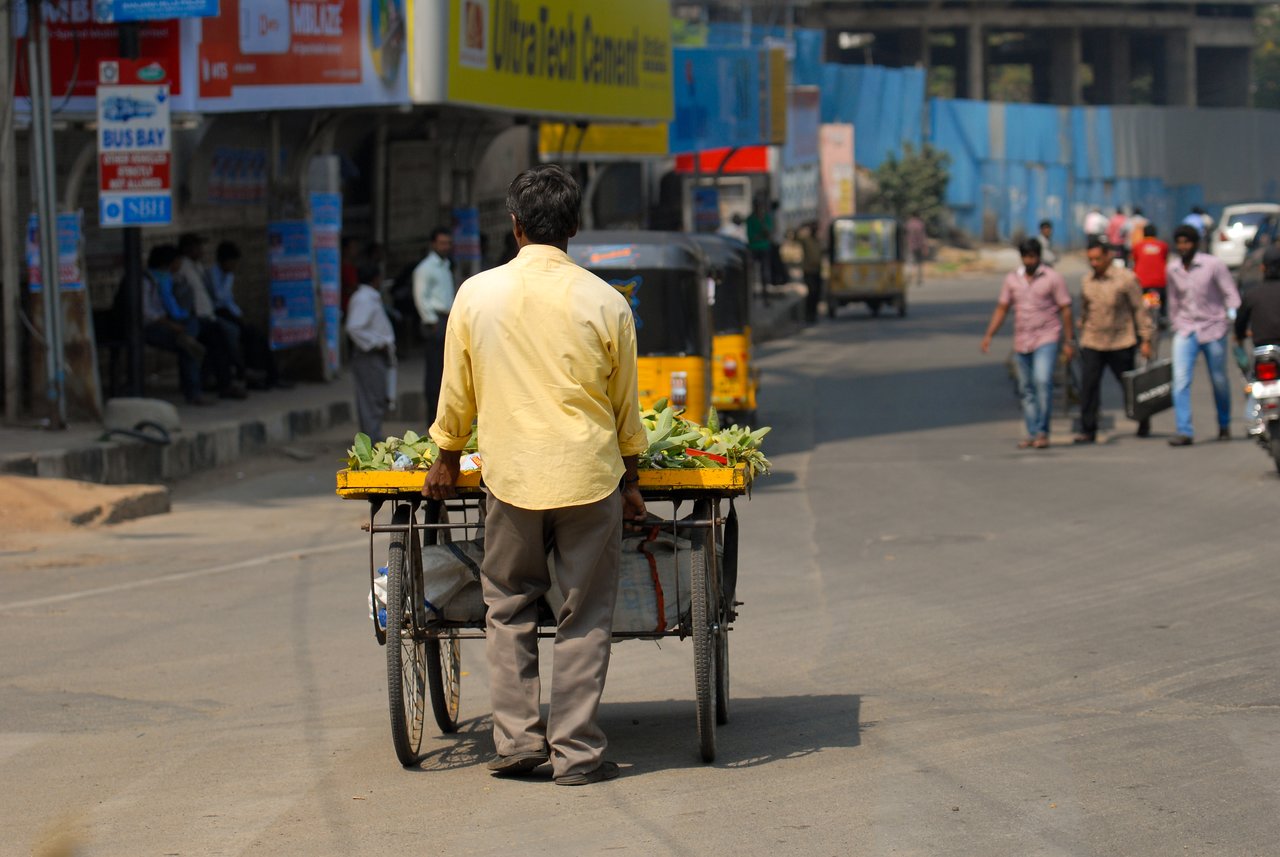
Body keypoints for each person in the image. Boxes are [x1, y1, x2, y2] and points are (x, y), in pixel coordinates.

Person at [423, 164, 648, 786]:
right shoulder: (607, 301)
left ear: (515, 224)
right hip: (589, 478)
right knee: (584, 615)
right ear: (575, 227)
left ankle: (519, 742)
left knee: (509, 605)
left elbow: (456, 394)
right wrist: (632, 481)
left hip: (512, 478)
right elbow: (627, 408)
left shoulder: (475, 294)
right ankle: (576, 755)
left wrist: (445, 455)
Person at [980, 238, 1075, 449]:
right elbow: (1002, 308)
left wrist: (1069, 341)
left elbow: (1065, 309)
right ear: (1021, 257)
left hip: (1047, 337)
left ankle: (1043, 431)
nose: (1029, 260)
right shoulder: (1013, 279)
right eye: (1026, 256)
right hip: (1022, 340)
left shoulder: (1052, 278)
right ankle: (1032, 432)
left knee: (1042, 382)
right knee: (1026, 388)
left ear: (1039, 256)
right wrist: (989, 335)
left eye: (1033, 256)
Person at [1165, 224, 1241, 445]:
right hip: (1186, 329)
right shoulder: (1173, 269)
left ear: (1196, 244)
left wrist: (1233, 320)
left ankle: (1224, 423)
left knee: (1219, 380)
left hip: (1214, 328)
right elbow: (1173, 301)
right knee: (1180, 380)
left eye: (1187, 242)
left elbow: (1231, 294)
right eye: (1179, 242)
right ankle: (1184, 430)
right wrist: (1175, 324)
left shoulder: (1213, 265)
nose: (1183, 247)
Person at [1073, 240, 1155, 443]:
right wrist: (1081, 324)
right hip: (1093, 340)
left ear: (1108, 257)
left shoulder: (1126, 279)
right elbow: (1084, 308)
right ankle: (1088, 428)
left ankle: (1142, 418)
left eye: (1097, 259)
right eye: (1090, 259)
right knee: (1089, 386)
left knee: (1128, 386)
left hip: (1121, 340)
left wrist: (1146, 339)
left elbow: (1139, 309)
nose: (1094, 263)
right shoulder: (1087, 281)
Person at [175, 233, 246, 400]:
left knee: (223, 340)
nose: (201, 250)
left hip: (207, 316)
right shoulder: (181, 267)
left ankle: (223, 380)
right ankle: (202, 388)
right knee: (202, 347)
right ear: (187, 249)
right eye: (197, 247)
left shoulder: (197, 266)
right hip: (193, 317)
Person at [211, 240, 284, 390]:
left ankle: (269, 376)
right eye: (232, 262)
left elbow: (230, 301)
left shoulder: (227, 275)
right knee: (244, 336)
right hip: (218, 314)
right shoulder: (214, 274)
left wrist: (239, 315)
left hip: (230, 313)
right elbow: (220, 297)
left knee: (258, 336)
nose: (234, 267)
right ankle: (248, 374)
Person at [141, 244, 209, 406]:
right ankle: (194, 392)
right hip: (149, 327)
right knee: (188, 346)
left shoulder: (168, 279)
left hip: (170, 323)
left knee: (199, 331)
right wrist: (171, 325)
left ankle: (189, 340)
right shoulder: (145, 281)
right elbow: (148, 313)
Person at [345, 258, 397, 441]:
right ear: (375, 278)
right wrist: (376, 343)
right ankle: (371, 440)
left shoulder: (368, 297)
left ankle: (373, 437)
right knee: (371, 400)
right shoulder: (364, 299)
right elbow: (354, 327)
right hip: (369, 355)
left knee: (376, 397)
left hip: (375, 355)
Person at [1234, 244, 1280, 435]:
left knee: (1253, 380)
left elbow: (1240, 324)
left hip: (1262, 350)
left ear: (1263, 268)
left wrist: (1239, 338)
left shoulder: (1252, 294)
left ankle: (1253, 417)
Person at [413, 227, 455, 423]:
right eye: (442, 243)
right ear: (433, 244)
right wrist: (430, 322)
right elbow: (420, 297)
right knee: (435, 371)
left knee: (447, 369)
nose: (445, 247)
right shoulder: (425, 268)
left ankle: (441, 416)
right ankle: (432, 417)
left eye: (447, 243)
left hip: (446, 318)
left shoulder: (445, 265)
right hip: (435, 322)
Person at [1132, 224, 1170, 329]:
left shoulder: (1137, 246)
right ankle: (1163, 315)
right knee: (1163, 297)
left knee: (1137, 302)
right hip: (1159, 282)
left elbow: (1135, 260)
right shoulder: (1163, 245)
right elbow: (1165, 258)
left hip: (1141, 282)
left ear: (1144, 233)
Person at [745, 198, 774, 303]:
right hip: (753, 249)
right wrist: (760, 235)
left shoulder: (766, 218)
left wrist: (762, 227)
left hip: (764, 249)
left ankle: (765, 297)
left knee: (765, 274)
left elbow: (768, 234)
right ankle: (752, 296)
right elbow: (750, 236)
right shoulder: (750, 219)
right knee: (751, 274)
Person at [797, 222, 824, 324]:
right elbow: (794, 236)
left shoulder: (818, 241)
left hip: (818, 270)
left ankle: (814, 314)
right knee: (811, 292)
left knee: (817, 293)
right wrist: (803, 226)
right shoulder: (806, 240)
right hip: (808, 271)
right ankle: (808, 314)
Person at [905, 213, 928, 284]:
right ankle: (919, 278)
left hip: (910, 246)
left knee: (910, 262)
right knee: (919, 263)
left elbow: (905, 235)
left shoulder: (908, 224)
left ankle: (909, 278)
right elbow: (923, 237)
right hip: (919, 246)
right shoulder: (920, 224)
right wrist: (925, 247)